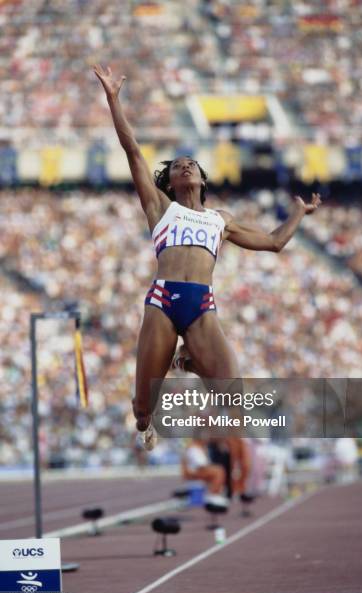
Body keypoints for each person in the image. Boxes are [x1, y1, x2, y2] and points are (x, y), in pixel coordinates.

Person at [94, 64, 322, 450]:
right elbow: (131, 148)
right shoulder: (159, 207)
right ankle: (149, 413)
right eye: (179, 166)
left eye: (192, 164)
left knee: (234, 401)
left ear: (201, 179)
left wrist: (299, 213)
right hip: (163, 301)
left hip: (201, 304)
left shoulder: (221, 220)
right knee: (142, 408)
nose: (185, 165)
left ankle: (186, 361)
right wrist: (114, 99)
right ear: (171, 181)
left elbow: (273, 242)